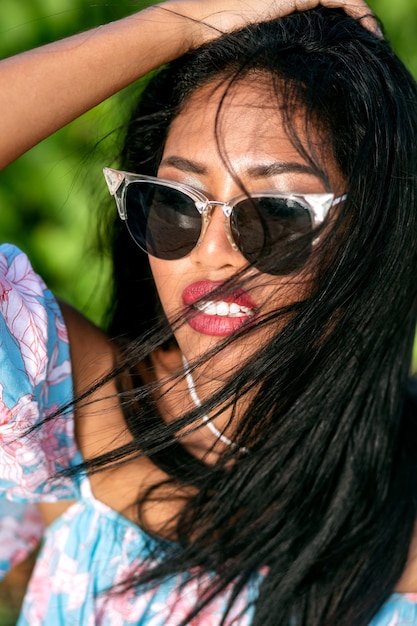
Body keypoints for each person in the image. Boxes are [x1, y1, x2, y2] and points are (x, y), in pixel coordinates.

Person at [1, 0, 417, 624]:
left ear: (373, 233)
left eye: (277, 212)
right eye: (175, 203)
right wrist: (178, 21)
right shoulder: (62, 409)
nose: (211, 253)